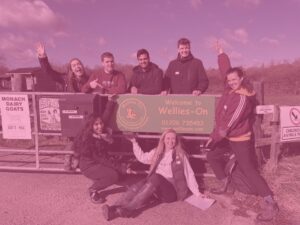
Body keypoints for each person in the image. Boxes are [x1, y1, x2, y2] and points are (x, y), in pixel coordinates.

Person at [205, 47, 279, 221]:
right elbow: (225, 72)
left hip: (239, 139)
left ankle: (270, 201)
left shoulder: (242, 98)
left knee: (248, 169)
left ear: (241, 79)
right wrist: (221, 55)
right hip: (228, 136)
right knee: (213, 155)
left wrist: (213, 137)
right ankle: (227, 185)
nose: (231, 82)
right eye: (229, 80)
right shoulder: (230, 90)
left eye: (234, 80)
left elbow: (228, 124)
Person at [102, 129, 206, 221]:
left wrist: (197, 193)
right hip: (157, 187)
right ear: (163, 139)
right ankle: (114, 209)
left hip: (172, 192)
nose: (170, 141)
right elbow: (142, 158)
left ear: (176, 140)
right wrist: (134, 142)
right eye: (168, 138)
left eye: (173, 139)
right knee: (140, 184)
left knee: (155, 177)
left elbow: (189, 174)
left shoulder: (180, 154)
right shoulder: (157, 152)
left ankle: (128, 209)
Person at [72, 96, 128, 204]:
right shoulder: (89, 140)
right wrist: (121, 168)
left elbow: (106, 116)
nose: (100, 126)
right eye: (96, 125)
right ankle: (93, 189)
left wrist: (111, 101)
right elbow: (103, 159)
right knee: (113, 176)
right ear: (90, 126)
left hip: (98, 162)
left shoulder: (100, 130)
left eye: (100, 123)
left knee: (120, 174)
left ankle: (101, 176)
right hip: (89, 166)